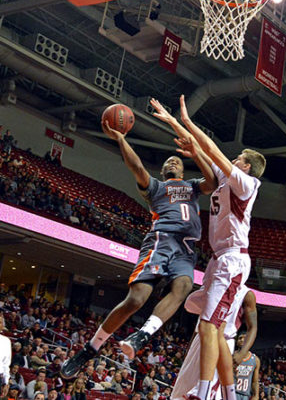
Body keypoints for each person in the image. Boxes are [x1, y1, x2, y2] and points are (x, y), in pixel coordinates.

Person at [61, 106, 216, 376]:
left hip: (186, 248)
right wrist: (121, 139)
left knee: (183, 288)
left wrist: (195, 153)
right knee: (136, 300)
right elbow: (137, 167)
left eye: (177, 161)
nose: (172, 163)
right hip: (161, 240)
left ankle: (142, 336)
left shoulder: (192, 186)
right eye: (168, 162)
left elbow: (213, 182)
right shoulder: (155, 187)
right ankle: (90, 348)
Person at [171, 94, 265, 400]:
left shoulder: (247, 184)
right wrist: (184, 136)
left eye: (238, 158)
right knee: (217, 333)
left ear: (246, 165)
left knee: (207, 327)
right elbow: (206, 157)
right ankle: (227, 396)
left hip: (233, 260)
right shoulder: (225, 178)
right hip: (218, 259)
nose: (233, 159)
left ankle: (201, 393)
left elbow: (212, 150)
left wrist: (188, 121)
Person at [171, 286, 258, 400]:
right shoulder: (214, 283)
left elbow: (253, 327)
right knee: (182, 390)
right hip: (201, 338)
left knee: (207, 392)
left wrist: (242, 353)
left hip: (223, 341)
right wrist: (190, 348)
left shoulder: (247, 294)